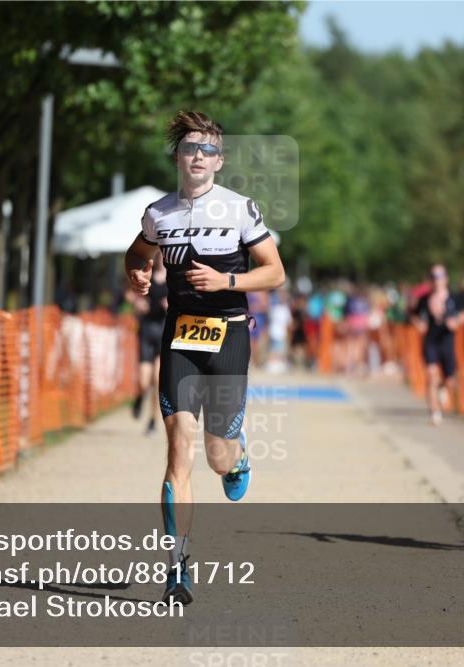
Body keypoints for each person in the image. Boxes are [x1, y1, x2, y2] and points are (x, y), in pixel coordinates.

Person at [124, 111, 285, 605]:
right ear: (177, 157)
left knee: (218, 456)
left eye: (209, 149)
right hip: (180, 340)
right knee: (178, 455)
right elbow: (135, 254)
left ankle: (237, 461)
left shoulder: (239, 210)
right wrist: (137, 274)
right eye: (191, 148)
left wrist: (227, 282)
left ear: (221, 160)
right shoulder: (158, 213)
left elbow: (275, 273)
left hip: (229, 336)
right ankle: (177, 570)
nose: (199, 156)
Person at [412, 264, 463, 425]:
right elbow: (412, 313)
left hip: (447, 341)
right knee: (431, 374)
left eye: (440, 276)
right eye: (434, 277)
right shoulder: (425, 299)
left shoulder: (453, 297)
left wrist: (456, 322)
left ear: (445, 279)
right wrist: (419, 323)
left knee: (450, 381)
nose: (437, 280)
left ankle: (442, 386)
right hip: (431, 341)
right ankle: (435, 412)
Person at [132, 258, 168, 434]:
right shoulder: (147, 274)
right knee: (143, 380)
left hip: (164, 332)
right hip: (146, 331)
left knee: (157, 379)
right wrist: (138, 304)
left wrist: (171, 305)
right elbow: (135, 297)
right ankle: (139, 397)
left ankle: (152, 420)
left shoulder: (174, 279)